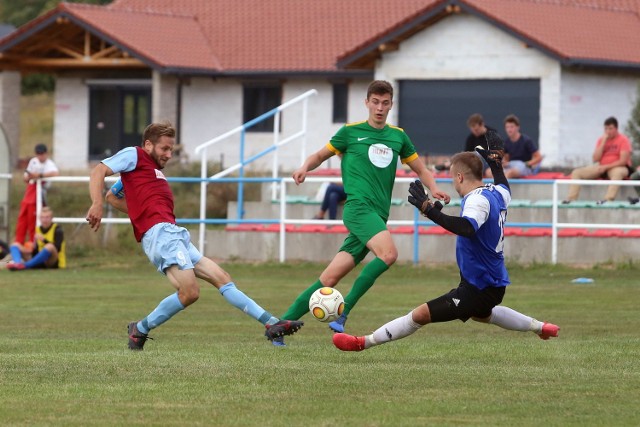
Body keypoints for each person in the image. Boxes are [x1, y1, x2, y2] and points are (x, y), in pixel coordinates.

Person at [85, 122, 303, 350]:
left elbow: (113, 195)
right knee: (190, 292)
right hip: (161, 235)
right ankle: (139, 329)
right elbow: (99, 171)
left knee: (222, 277)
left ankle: (272, 324)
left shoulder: (147, 171)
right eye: (164, 149)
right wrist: (97, 203)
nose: (169, 155)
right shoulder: (134, 155)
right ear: (148, 144)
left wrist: (139, 213)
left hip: (174, 233)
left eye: (171, 150)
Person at [275, 80, 451, 346]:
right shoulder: (349, 133)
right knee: (389, 254)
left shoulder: (398, 136)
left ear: (391, 104)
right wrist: (304, 167)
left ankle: (279, 325)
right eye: (375, 102)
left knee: (330, 278)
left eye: (385, 103)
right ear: (367, 103)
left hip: (377, 215)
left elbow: (422, 170)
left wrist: (435, 187)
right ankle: (342, 315)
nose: (380, 108)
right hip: (358, 209)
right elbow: (320, 155)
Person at [332, 148, 560, 352]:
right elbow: (504, 185)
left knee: (420, 315)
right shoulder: (496, 193)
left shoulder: (476, 200)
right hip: (492, 283)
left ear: (459, 177)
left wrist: (430, 211)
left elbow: (467, 227)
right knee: (484, 315)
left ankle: (363, 342)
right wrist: (496, 163)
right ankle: (541, 327)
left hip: (478, 286)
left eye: (453, 178)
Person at [563, 116, 632, 205]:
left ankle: (608, 199)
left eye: (610, 129)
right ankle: (571, 199)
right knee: (577, 172)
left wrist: (606, 167)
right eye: (606, 129)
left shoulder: (623, 140)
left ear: (616, 128)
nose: (608, 131)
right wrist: (603, 142)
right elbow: (595, 158)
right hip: (601, 166)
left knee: (617, 173)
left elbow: (623, 160)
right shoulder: (601, 140)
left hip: (618, 166)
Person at [13, 144, 59, 245]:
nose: (40, 156)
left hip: (39, 192)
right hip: (29, 192)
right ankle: (18, 243)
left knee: (33, 221)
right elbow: (26, 177)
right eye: (38, 154)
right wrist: (29, 177)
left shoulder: (49, 163)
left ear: (46, 154)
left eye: (42, 154)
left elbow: (55, 173)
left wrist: (39, 176)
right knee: (22, 220)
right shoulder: (33, 161)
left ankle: (33, 244)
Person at [486, 114, 542, 179]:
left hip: (523, 166)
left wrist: (527, 164)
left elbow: (538, 157)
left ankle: (503, 188)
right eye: (507, 127)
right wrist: (504, 163)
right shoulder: (506, 142)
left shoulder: (526, 140)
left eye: (511, 127)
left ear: (518, 127)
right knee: (488, 172)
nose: (509, 129)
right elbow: (506, 158)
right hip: (511, 165)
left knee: (510, 172)